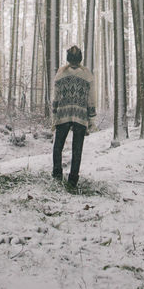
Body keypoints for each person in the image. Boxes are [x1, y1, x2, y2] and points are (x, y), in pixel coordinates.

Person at [52, 45, 96, 186]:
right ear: (80, 58)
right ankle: (73, 180)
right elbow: (91, 97)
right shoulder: (87, 74)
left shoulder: (61, 73)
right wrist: (91, 117)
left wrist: (54, 112)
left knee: (58, 146)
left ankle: (57, 175)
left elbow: (56, 95)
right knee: (77, 149)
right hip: (80, 115)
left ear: (68, 58)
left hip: (63, 114)